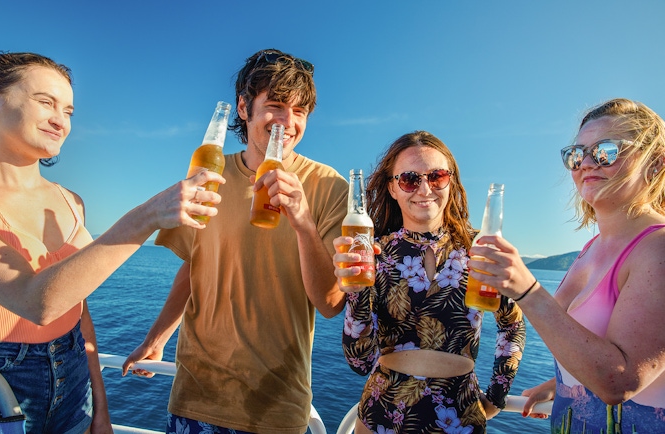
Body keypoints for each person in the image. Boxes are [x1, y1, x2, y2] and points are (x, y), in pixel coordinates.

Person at [0, 52, 223, 433]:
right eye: (46, 102)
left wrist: (100, 410)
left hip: (74, 383)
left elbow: (79, 315)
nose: (61, 120)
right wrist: (147, 216)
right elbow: (38, 302)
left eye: (69, 111)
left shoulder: (72, 202)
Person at [122, 48, 349, 434]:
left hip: (276, 406)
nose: (288, 122)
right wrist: (156, 337)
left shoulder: (328, 185)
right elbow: (196, 264)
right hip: (196, 396)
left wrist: (303, 223)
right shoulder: (209, 173)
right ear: (244, 107)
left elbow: (330, 305)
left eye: (300, 111)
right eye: (276, 105)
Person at [468, 98, 665, 433]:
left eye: (605, 151)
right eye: (576, 154)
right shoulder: (590, 249)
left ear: (656, 163)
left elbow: (621, 382)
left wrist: (526, 290)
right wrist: (564, 382)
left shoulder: (657, 248)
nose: (586, 163)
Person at [333, 131, 526, 434]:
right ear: (393, 188)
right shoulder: (373, 253)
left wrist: (497, 396)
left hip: (459, 416)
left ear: (451, 181)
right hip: (382, 415)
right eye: (409, 179)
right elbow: (359, 362)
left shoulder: (482, 250)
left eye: (436, 176)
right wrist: (356, 294)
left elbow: (512, 324)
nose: (424, 188)